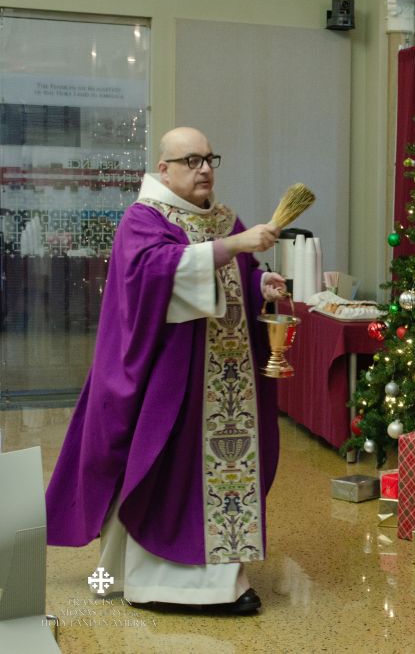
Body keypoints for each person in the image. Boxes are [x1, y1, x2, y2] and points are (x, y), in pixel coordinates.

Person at [45, 127, 286, 615]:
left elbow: (238, 273)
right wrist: (235, 245)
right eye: (191, 160)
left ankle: (224, 582)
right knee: (164, 477)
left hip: (225, 388)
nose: (204, 168)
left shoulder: (221, 217)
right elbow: (155, 273)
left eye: (209, 158)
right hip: (173, 384)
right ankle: (149, 583)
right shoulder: (144, 218)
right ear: (165, 169)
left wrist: (262, 282)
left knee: (220, 482)